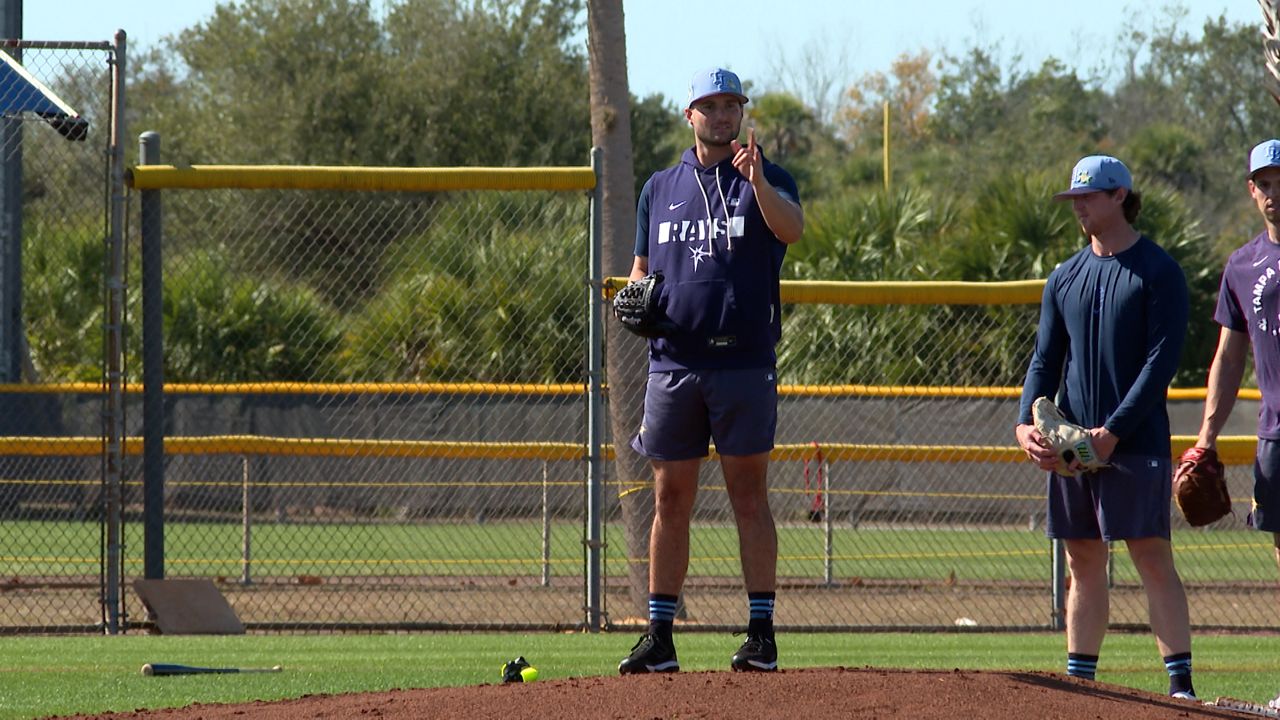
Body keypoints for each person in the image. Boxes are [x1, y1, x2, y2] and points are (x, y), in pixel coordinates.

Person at [617, 67, 803, 675]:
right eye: (710, 106)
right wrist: (636, 293)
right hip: (674, 362)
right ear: (689, 115)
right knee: (670, 498)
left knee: (749, 496)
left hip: (743, 362)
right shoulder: (659, 187)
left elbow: (792, 231)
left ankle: (761, 631)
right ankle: (660, 635)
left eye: (732, 105)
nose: (723, 115)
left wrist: (756, 181)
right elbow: (641, 268)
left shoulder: (767, 175)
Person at [1014, 155, 1196, 699]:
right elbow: (1045, 361)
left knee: (1149, 554)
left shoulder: (1157, 270)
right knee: (1082, 558)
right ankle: (1081, 685)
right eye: (1075, 198)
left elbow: (1160, 365)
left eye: (1089, 196)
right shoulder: (1065, 276)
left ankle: (1180, 686)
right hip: (1071, 443)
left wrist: (1113, 432)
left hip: (1133, 442)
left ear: (1120, 196)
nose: (1079, 206)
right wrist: (1025, 424)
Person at [1187, 139, 1280, 710]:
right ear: (1251, 191)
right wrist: (1206, 437)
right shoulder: (1243, 266)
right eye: (1264, 184)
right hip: (1275, 434)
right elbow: (1228, 356)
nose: (1274, 194)